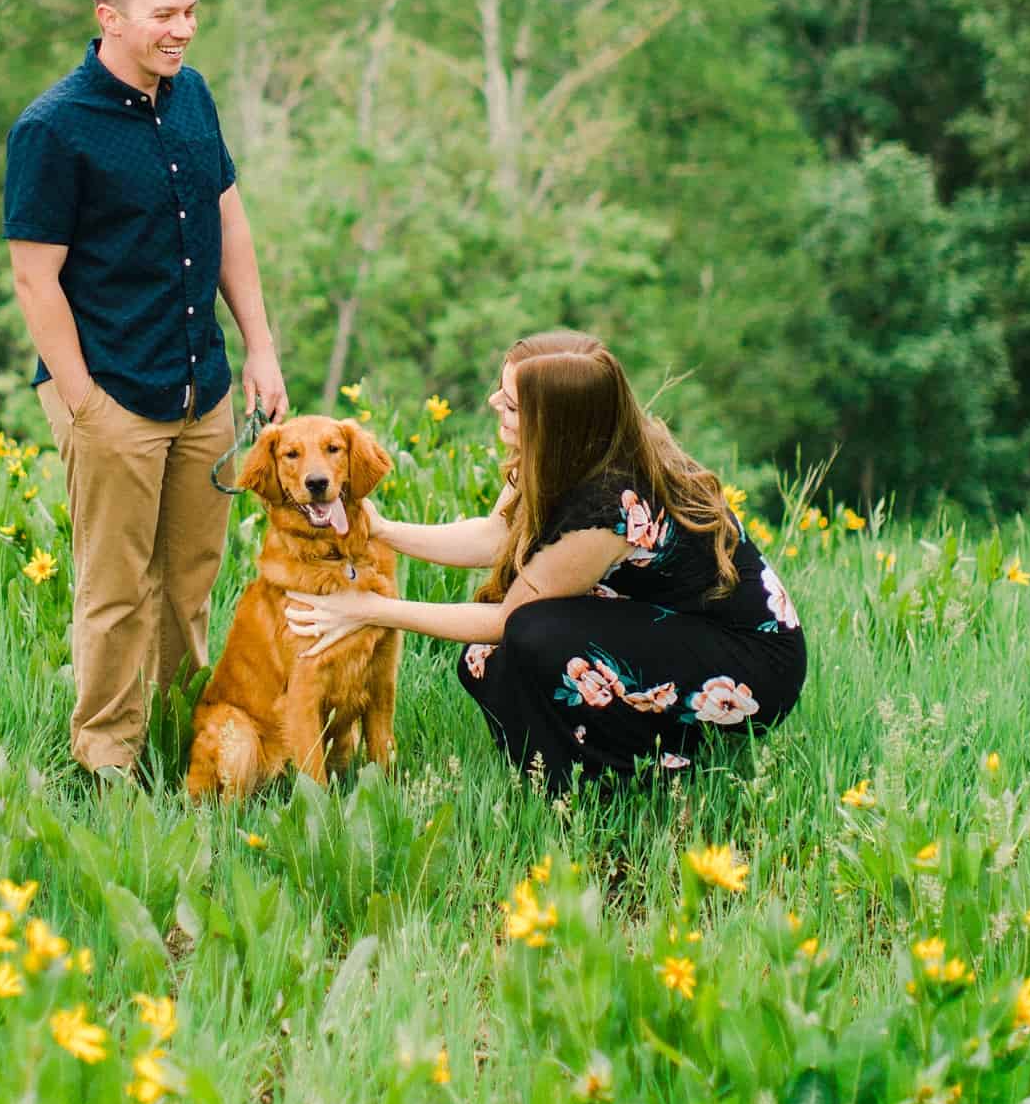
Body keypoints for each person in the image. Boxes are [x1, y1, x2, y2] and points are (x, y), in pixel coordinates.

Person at [284, 329, 805, 790]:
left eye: (511, 404)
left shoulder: (610, 502)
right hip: (671, 621)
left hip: (749, 658)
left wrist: (369, 608)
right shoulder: (565, 450)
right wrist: (383, 529)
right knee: (487, 661)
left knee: (529, 634)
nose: (493, 403)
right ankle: (550, 774)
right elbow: (493, 537)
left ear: (555, 421)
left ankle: (631, 773)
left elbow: (505, 619)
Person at [5, 0, 288, 778]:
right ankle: (105, 761)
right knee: (115, 590)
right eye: (165, 13)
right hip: (113, 394)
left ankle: (179, 739)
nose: (184, 28)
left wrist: (260, 348)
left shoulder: (192, 95)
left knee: (190, 579)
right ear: (110, 16)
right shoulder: (52, 129)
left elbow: (229, 220)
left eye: (192, 9)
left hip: (202, 383)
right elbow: (34, 277)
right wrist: (84, 401)